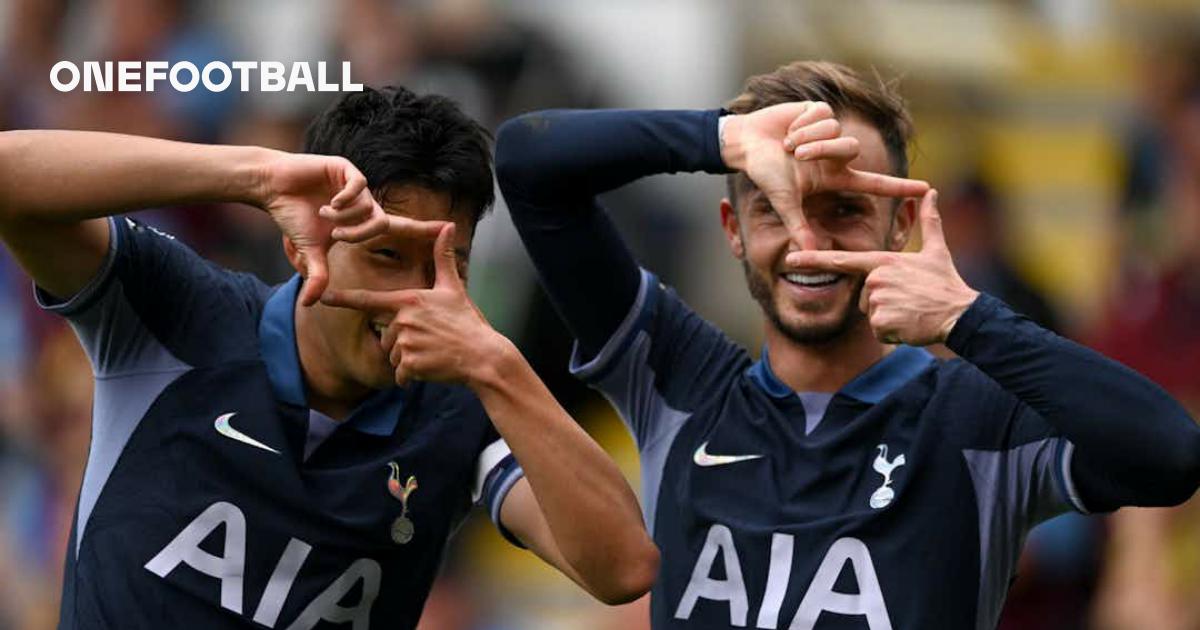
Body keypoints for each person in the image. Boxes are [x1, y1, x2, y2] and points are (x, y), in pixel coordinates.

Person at [495, 61, 1200, 629]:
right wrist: (721, 139)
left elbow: (1169, 455)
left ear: (900, 228)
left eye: (844, 210)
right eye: (776, 206)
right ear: (733, 228)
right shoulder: (681, 377)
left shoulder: (977, 418)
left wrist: (968, 317)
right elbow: (528, 161)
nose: (809, 244)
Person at [0, 86, 658, 629]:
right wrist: (252, 175)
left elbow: (624, 567)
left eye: (446, 265)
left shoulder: (463, 409)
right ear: (302, 242)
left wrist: (498, 366)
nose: (414, 297)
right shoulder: (181, 311)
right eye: (385, 255)